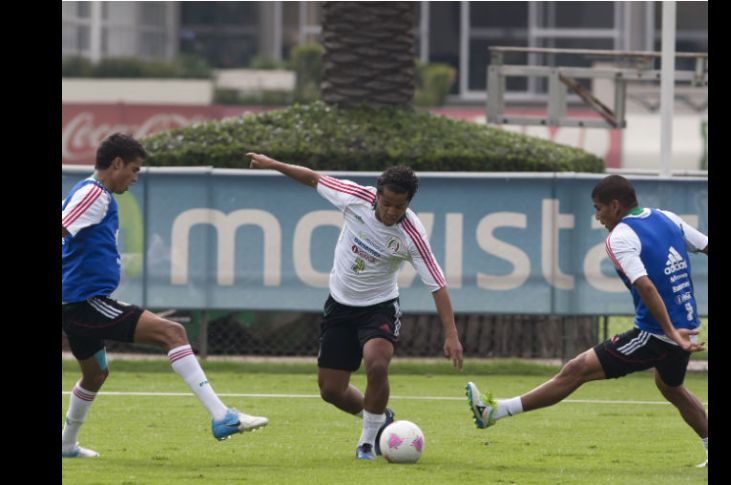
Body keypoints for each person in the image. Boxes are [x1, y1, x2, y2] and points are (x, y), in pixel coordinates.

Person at [465, 174, 708, 468]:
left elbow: (645, 285)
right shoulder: (666, 218)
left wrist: (671, 331)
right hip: (685, 331)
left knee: (576, 370)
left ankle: (495, 412)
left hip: (660, 334)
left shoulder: (620, 237)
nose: (597, 217)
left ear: (615, 206)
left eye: (599, 208)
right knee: (671, 387)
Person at [62, 133, 268, 458]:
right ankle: (222, 416)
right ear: (116, 164)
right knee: (173, 333)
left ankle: (66, 445)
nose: (135, 178)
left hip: (78, 302)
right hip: (84, 303)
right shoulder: (94, 193)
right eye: (133, 169)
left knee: (95, 374)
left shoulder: (90, 192)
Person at [247, 152, 464, 460]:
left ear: (408, 203)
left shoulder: (412, 235)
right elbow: (312, 177)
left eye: (399, 206)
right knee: (331, 390)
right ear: (377, 195)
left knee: (376, 365)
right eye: (386, 203)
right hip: (340, 305)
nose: (391, 211)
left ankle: (367, 442)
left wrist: (451, 334)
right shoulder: (353, 198)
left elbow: (438, 286)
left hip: (379, 307)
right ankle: (379, 419)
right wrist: (274, 165)